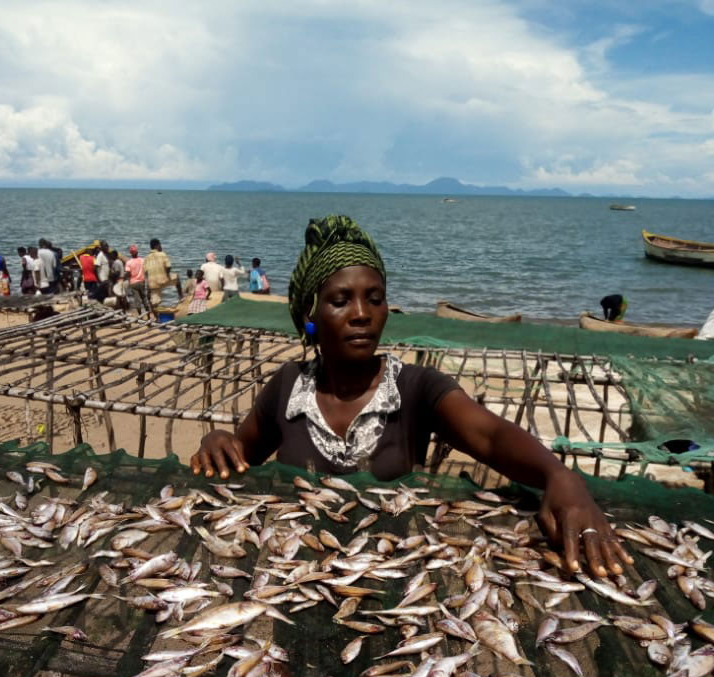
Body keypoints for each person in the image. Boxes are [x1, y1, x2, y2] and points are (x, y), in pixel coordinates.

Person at [191, 214, 631, 579]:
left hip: (392, 575)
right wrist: (216, 440)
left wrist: (559, 477)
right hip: (300, 575)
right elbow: (237, 453)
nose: (362, 314)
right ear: (310, 314)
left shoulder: (416, 388)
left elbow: (491, 436)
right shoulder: (287, 387)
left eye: (375, 298)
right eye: (341, 300)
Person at [144, 238, 183, 310]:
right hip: (163, 279)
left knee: (155, 302)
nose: (161, 247)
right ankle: (181, 298)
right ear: (157, 246)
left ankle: (156, 317)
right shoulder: (162, 254)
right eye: (160, 245)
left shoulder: (146, 258)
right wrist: (167, 274)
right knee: (177, 278)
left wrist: (148, 284)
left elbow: (146, 272)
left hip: (152, 283)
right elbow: (168, 267)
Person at [125, 245, 150, 314]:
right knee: (144, 298)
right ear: (137, 252)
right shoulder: (142, 260)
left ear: (130, 253)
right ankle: (148, 315)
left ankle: (140, 315)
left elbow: (128, 273)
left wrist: (126, 280)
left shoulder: (128, 262)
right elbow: (146, 271)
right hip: (142, 282)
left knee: (137, 300)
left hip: (133, 283)